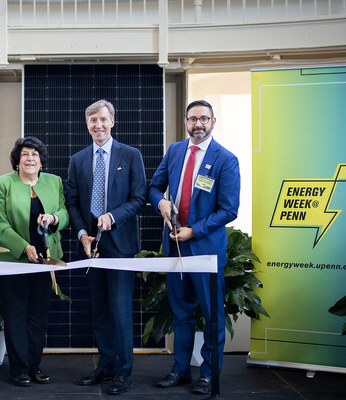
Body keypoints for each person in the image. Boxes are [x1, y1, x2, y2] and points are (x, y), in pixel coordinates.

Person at [148, 100, 240, 395]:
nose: (197, 124)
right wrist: (161, 202)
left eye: (203, 118)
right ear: (185, 122)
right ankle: (181, 370)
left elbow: (229, 209)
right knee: (181, 314)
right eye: (192, 119)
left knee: (212, 317)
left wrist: (194, 231)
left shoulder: (226, 159)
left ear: (214, 121)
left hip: (206, 251)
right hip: (175, 250)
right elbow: (154, 186)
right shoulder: (175, 151)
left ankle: (209, 374)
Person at [65, 100, 147, 395]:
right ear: (86, 125)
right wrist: (84, 234)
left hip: (121, 245)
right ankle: (106, 365)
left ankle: (124, 373)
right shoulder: (78, 159)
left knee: (121, 311)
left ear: (112, 121)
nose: (97, 125)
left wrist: (113, 217)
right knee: (99, 310)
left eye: (102, 119)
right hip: (92, 248)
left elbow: (139, 198)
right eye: (91, 120)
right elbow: (72, 202)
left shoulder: (131, 154)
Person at [0, 136, 69, 387]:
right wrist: (24, 248)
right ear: (17, 160)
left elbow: (65, 212)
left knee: (38, 316)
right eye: (25, 154)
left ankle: (34, 366)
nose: (30, 158)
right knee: (16, 315)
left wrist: (55, 218)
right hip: (12, 259)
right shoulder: (3, 184)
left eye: (35, 154)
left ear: (42, 161)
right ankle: (19, 370)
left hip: (46, 261)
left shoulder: (54, 182)